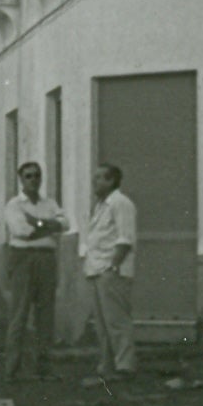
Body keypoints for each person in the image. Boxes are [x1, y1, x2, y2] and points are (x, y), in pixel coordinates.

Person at [1, 161, 67, 382]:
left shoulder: (49, 203)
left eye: (37, 175)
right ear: (21, 180)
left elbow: (65, 223)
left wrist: (37, 222)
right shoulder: (14, 205)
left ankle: (43, 367)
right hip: (23, 259)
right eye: (28, 176)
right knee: (19, 314)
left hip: (47, 259)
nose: (33, 180)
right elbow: (22, 231)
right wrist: (49, 227)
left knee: (45, 315)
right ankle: (13, 369)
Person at [80, 163, 137, 380]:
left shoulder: (120, 204)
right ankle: (108, 365)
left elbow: (125, 239)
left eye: (100, 178)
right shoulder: (100, 206)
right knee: (102, 323)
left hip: (111, 270)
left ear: (111, 180)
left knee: (116, 320)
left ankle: (125, 365)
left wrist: (113, 266)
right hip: (96, 268)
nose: (95, 183)